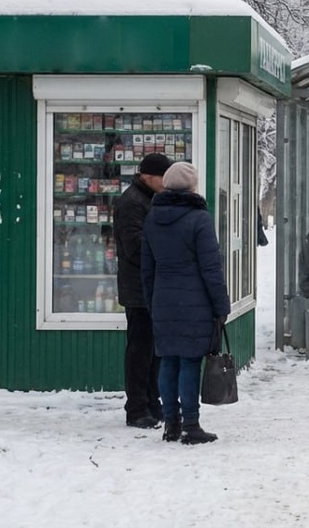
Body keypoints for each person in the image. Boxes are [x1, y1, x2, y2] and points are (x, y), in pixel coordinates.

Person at [141, 162, 231, 445]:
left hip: (163, 300)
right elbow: (211, 268)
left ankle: (171, 424)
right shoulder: (199, 218)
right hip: (196, 301)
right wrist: (221, 305)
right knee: (190, 362)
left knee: (168, 361)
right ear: (192, 187)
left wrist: (152, 300)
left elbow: (147, 267)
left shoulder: (152, 217)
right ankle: (191, 425)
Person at [113, 152, 170, 429]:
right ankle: (136, 407)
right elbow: (135, 247)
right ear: (147, 176)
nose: (167, 182)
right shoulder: (132, 203)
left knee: (153, 349)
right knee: (140, 349)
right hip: (139, 288)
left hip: (152, 285)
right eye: (164, 177)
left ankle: (151, 401)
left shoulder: (148, 198)